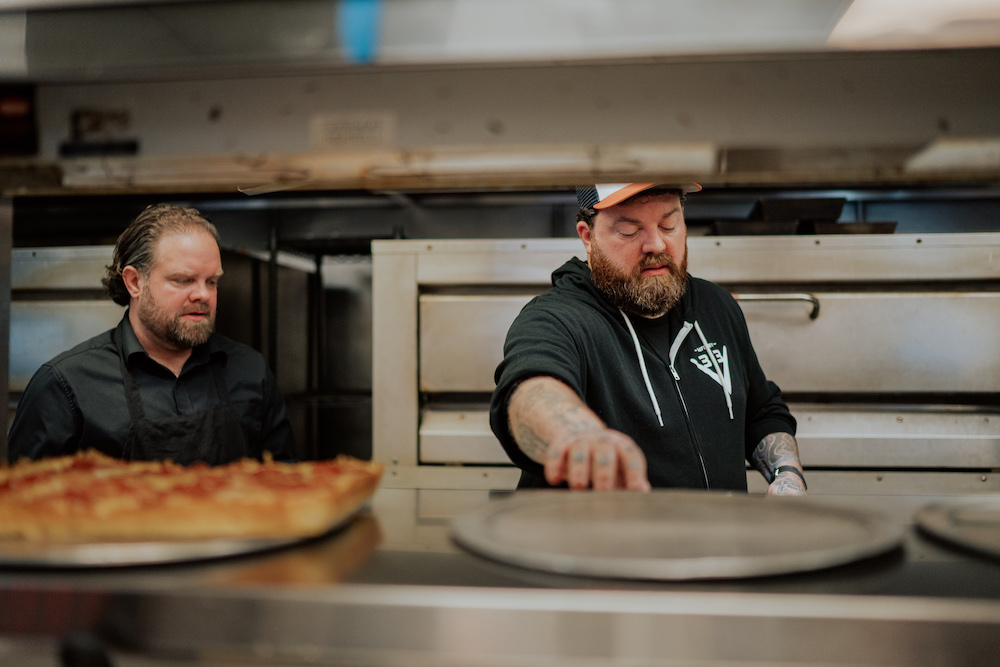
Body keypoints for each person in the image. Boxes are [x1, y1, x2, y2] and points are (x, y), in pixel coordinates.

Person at [489, 183, 806, 495]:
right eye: (629, 230)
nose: (656, 244)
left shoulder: (716, 305)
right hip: (599, 545)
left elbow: (761, 411)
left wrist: (786, 474)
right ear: (588, 237)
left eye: (669, 224)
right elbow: (529, 391)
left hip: (717, 543)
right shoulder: (557, 318)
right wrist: (575, 434)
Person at [7, 203, 296, 465]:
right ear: (134, 282)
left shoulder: (250, 370)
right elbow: (22, 507)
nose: (203, 294)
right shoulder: (63, 387)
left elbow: (286, 489)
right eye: (183, 280)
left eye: (212, 281)